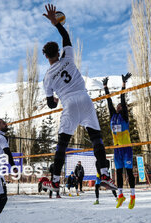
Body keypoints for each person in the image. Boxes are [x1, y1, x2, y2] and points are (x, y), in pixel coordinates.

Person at [41, 4, 116, 194]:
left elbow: (50, 104)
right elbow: (66, 37)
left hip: (69, 103)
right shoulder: (68, 58)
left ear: (46, 56)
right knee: (96, 139)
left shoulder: (47, 77)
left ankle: (56, 181)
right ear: (58, 52)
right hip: (85, 99)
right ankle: (105, 173)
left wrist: (55, 101)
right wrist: (56, 23)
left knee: (62, 144)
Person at [102, 73, 135, 209]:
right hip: (117, 149)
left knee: (129, 172)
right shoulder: (113, 116)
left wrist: (123, 84)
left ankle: (133, 196)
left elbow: (123, 98)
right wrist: (105, 87)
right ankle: (120, 196)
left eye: (120, 106)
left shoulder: (124, 117)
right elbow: (109, 101)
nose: (118, 106)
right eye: (118, 106)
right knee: (119, 173)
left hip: (126, 148)